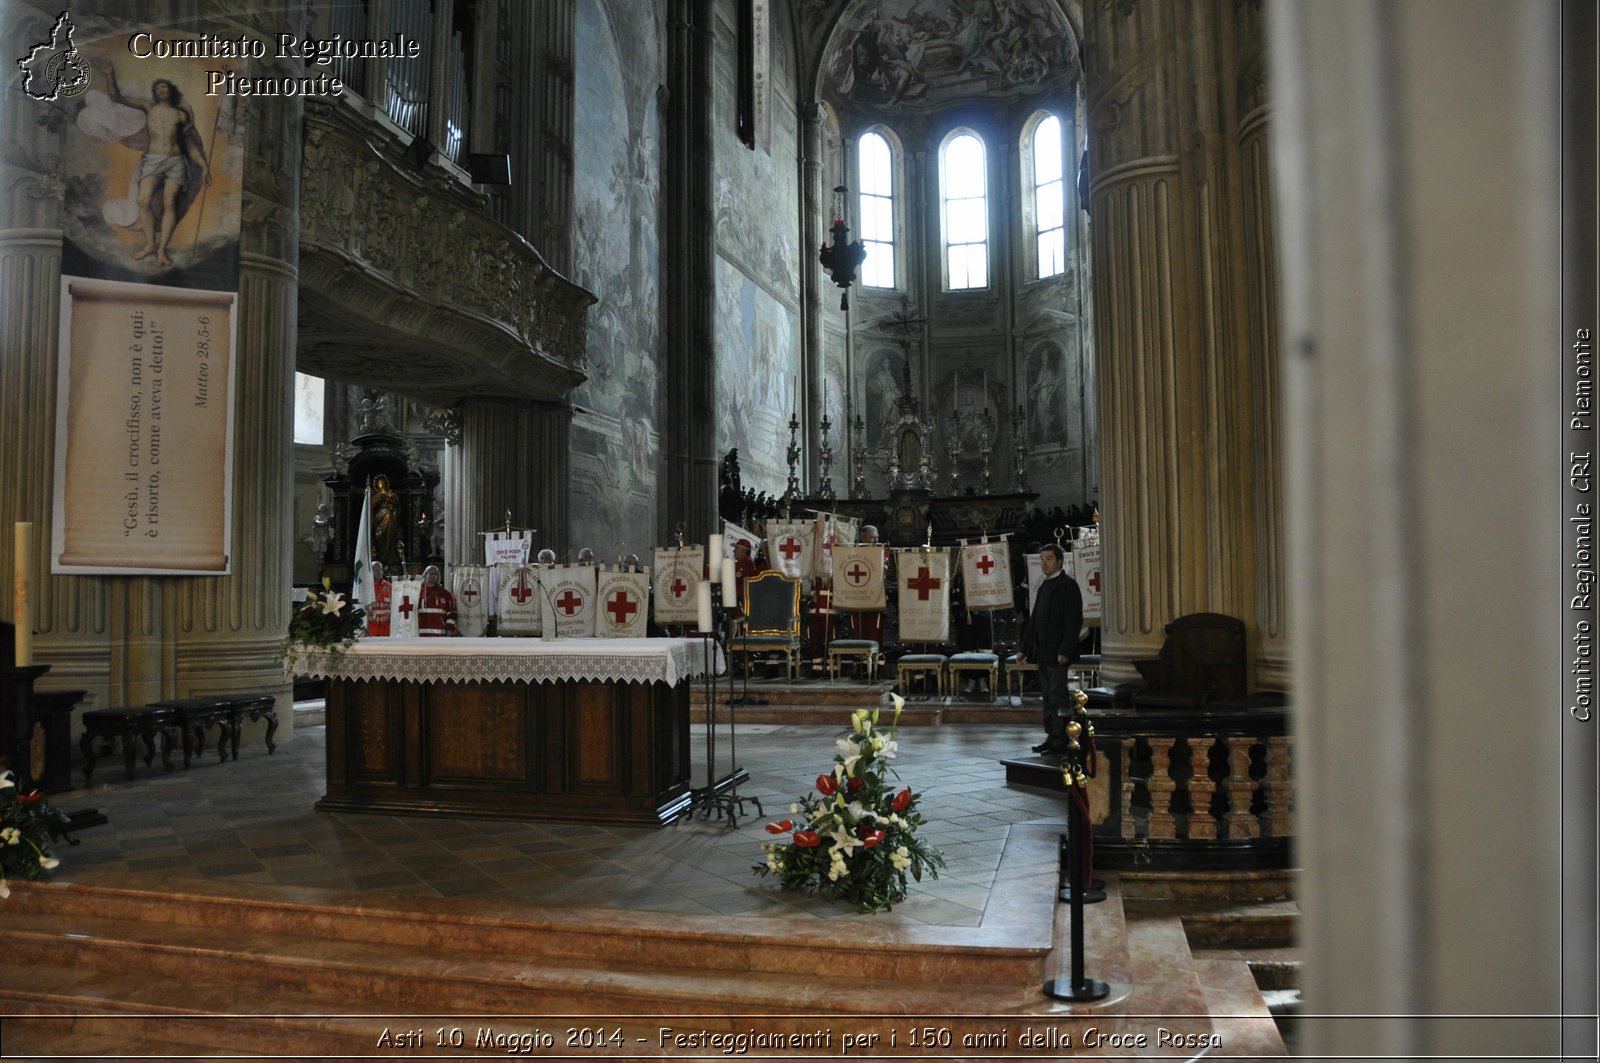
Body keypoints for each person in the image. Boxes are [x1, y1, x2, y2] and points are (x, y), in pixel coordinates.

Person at [99, 63, 212, 267]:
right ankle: (150, 244)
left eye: (165, 87)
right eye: (158, 87)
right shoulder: (148, 107)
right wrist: (109, 75)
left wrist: (204, 167)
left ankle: (161, 251)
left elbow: (190, 143)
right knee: (143, 201)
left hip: (175, 161)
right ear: (155, 93)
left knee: (170, 203)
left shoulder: (181, 115)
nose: (161, 89)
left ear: (171, 92)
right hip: (152, 161)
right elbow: (117, 98)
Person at [1016, 542, 1082, 753]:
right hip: (1043, 651)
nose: (1044, 563)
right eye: (1042, 559)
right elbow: (1035, 619)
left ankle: (1062, 740)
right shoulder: (1045, 585)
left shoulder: (1068, 585)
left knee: (1058, 696)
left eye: (1049, 559)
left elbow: (1073, 621)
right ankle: (1051, 736)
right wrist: (1024, 648)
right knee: (1047, 696)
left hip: (1057, 652)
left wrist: (1065, 650)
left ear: (1060, 561)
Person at [417, 565, 458, 636]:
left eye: (436, 574)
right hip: (420, 634)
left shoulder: (445, 594)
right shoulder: (417, 593)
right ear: (425, 575)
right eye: (431, 573)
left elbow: (452, 613)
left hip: (439, 635)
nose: (433, 576)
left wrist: (449, 628)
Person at [366, 561, 392, 637]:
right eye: (376, 570)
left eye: (381, 570)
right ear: (371, 571)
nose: (379, 572)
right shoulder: (367, 587)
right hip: (371, 627)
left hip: (386, 627)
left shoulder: (388, 586)